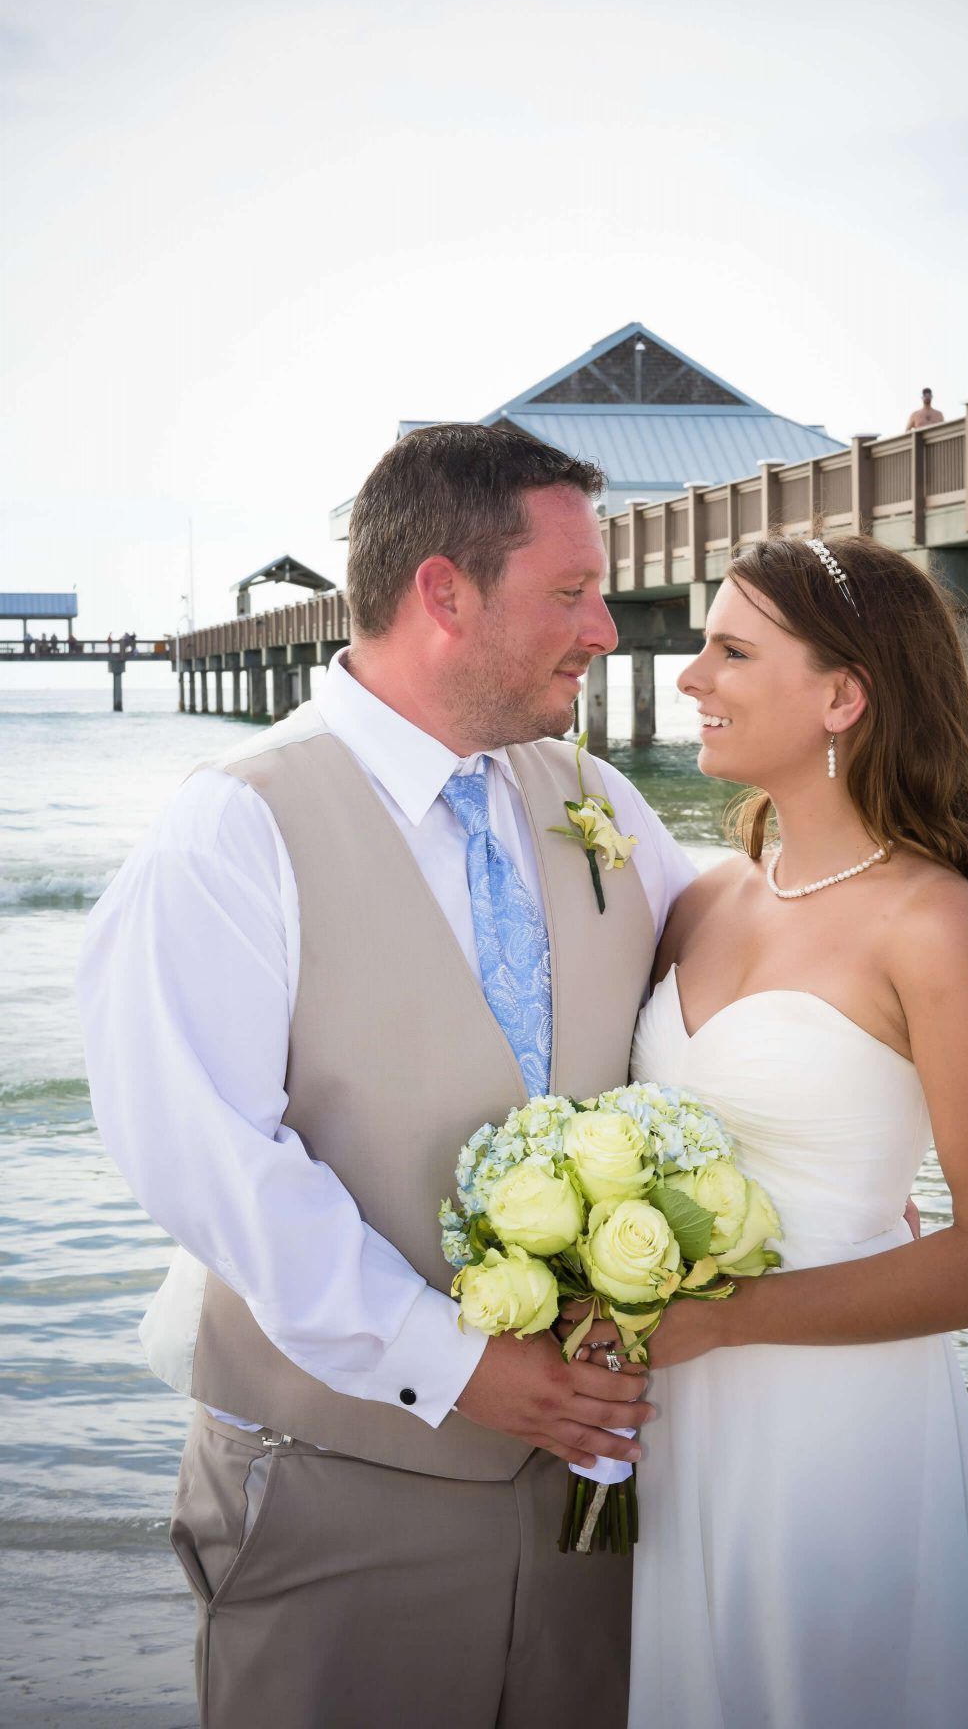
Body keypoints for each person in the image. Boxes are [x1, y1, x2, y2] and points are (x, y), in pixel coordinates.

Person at [78, 424, 698, 1729]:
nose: (606, 633)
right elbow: (209, 1159)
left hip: (593, 1497)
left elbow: (720, 1002)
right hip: (339, 1494)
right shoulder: (235, 830)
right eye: (571, 593)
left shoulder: (599, 801)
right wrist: (455, 1363)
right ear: (441, 592)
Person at [574, 533, 968, 1728]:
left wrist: (712, 1322)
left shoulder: (936, 931)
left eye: (730, 651)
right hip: (680, 1420)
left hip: (835, 1419)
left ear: (841, 696)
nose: (687, 678)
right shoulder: (703, 896)